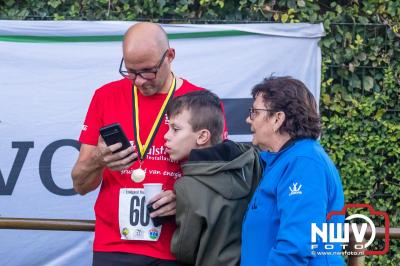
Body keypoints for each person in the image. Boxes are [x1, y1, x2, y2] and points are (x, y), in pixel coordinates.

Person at [71, 22, 227, 266]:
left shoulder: (202, 103)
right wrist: (98, 160)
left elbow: (221, 184)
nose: (139, 81)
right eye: (130, 71)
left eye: (147, 71)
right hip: (114, 247)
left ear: (170, 56)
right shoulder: (105, 96)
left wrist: (186, 199)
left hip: (178, 247)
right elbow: (80, 184)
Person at [241, 76, 345, 265]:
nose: (248, 119)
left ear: (277, 118)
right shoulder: (284, 160)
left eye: (255, 112)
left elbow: (296, 247)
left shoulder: (305, 163)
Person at [164, 91, 262, 266]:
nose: (166, 135)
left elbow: (183, 250)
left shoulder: (187, 187)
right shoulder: (252, 162)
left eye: (175, 129)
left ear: (202, 136)